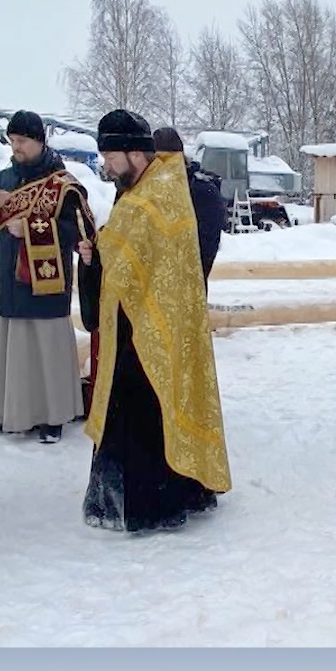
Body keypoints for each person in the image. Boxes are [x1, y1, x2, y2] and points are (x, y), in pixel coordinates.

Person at [79, 109, 232, 533]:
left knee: (143, 413)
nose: (105, 165)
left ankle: (149, 505)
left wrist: (101, 250)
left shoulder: (155, 194)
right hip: (140, 321)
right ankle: (174, 490)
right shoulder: (148, 186)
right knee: (146, 409)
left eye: (110, 155)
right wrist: (98, 252)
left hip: (151, 326)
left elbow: (136, 257)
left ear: (134, 152)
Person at [0, 110, 97, 443]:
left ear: (39, 141)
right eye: (12, 140)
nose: (16, 147)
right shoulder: (4, 179)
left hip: (47, 283)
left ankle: (54, 416)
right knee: (11, 354)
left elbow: (81, 232)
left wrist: (34, 229)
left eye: (22, 140)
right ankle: (12, 413)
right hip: (7, 280)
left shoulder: (63, 184)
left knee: (46, 354)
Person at [152, 126, 227, 283]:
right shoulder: (153, 187)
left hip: (186, 286)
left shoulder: (202, 191)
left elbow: (205, 252)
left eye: (165, 159)